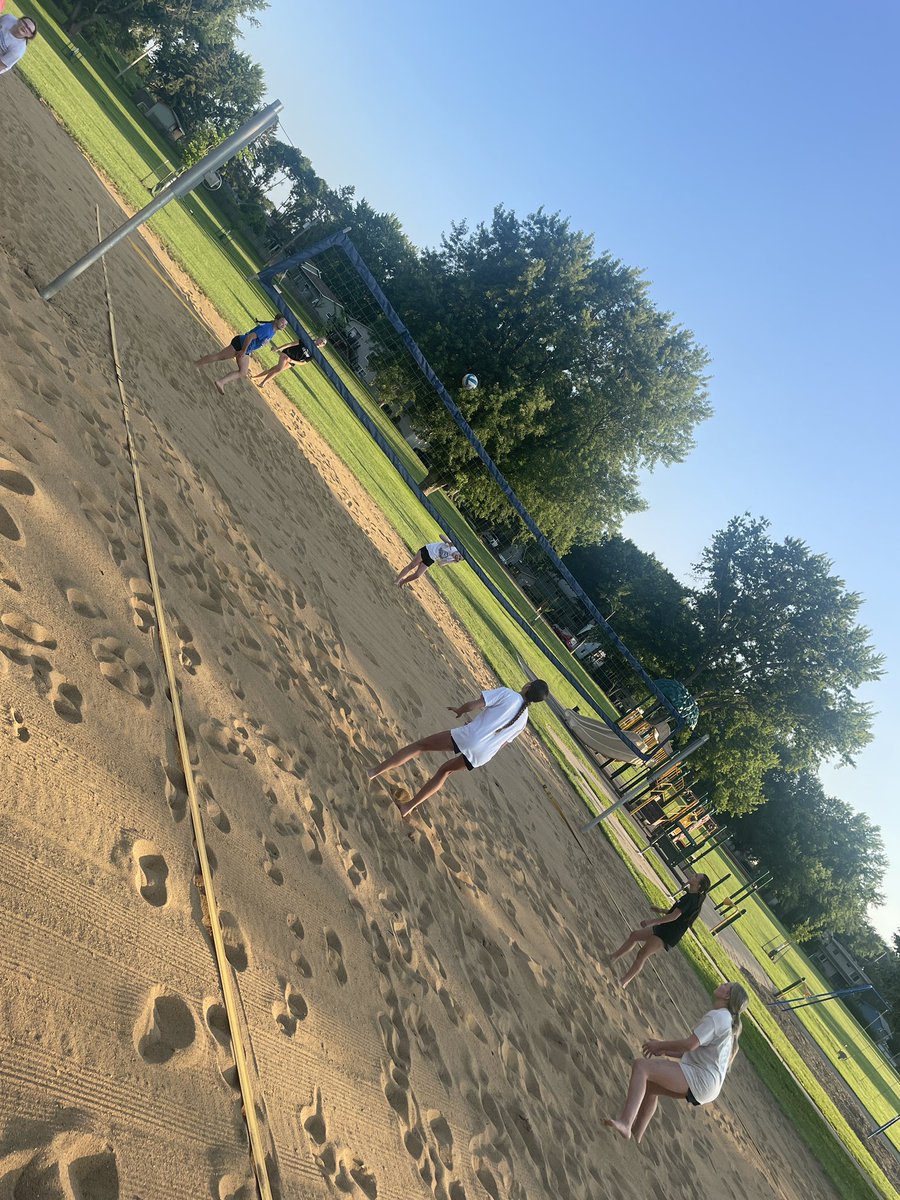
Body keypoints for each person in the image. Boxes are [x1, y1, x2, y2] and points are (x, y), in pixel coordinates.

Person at [368, 680, 549, 818]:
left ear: (527, 686)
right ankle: (408, 807)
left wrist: (460, 710)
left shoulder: (508, 694)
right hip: (484, 754)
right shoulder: (523, 720)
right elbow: (501, 743)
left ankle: (373, 772)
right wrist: (478, 729)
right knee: (444, 772)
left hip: (470, 737)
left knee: (420, 746)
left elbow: (473, 705)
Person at [603, 981, 749, 1140]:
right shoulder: (725, 1020)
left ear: (727, 996)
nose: (721, 984)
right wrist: (665, 1050)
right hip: (709, 1087)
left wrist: (660, 1044)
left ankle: (625, 1123)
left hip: (701, 1079)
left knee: (641, 1067)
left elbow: (689, 1045)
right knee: (651, 1088)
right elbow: (699, 1053)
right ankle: (637, 1133)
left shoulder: (719, 1017)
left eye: (725, 985)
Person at [608, 873, 711, 987]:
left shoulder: (692, 899)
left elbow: (674, 917)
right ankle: (613, 957)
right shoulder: (690, 896)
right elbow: (677, 913)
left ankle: (623, 982)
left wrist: (651, 922)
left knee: (642, 954)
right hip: (665, 926)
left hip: (669, 933)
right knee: (634, 935)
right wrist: (661, 910)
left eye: (696, 877)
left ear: (700, 886)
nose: (693, 876)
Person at [194, 316, 288, 394]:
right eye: (282, 322)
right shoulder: (267, 329)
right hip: (240, 344)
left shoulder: (273, 331)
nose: (283, 325)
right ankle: (197, 364)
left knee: (243, 371)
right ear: (276, 320)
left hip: (246, 349)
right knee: (219, 356)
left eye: (285, 324)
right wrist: (243, 350)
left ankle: (220, 382)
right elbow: (250, 337)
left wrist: (248, 351)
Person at [255, 336, 327, 387]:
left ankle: (255, 377)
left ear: (323, 346)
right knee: (279, 369)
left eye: (323, 343)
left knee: (274, 369)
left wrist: (292, 361)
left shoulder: (315, 353)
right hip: (287, 353)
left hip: (292, 361)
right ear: (318, 338)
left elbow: (303, 363)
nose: (321, 342)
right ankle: (263, 383)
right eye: (321, 340)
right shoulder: (306, 341)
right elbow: (290, 344)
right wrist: (278, 349)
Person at [395, 536, 463, 587]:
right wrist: (449, 542)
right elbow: (441, 535)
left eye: (459, 559)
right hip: (427, 550)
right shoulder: (453, 547)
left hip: (432, 559)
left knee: (417, 575)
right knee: (412, 565)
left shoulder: (452, 558)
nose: (458, 557)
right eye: (459, 556)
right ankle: (397, 580)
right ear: (458, 552)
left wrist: (452, 561)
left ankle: (402, 582)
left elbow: (440, 564)